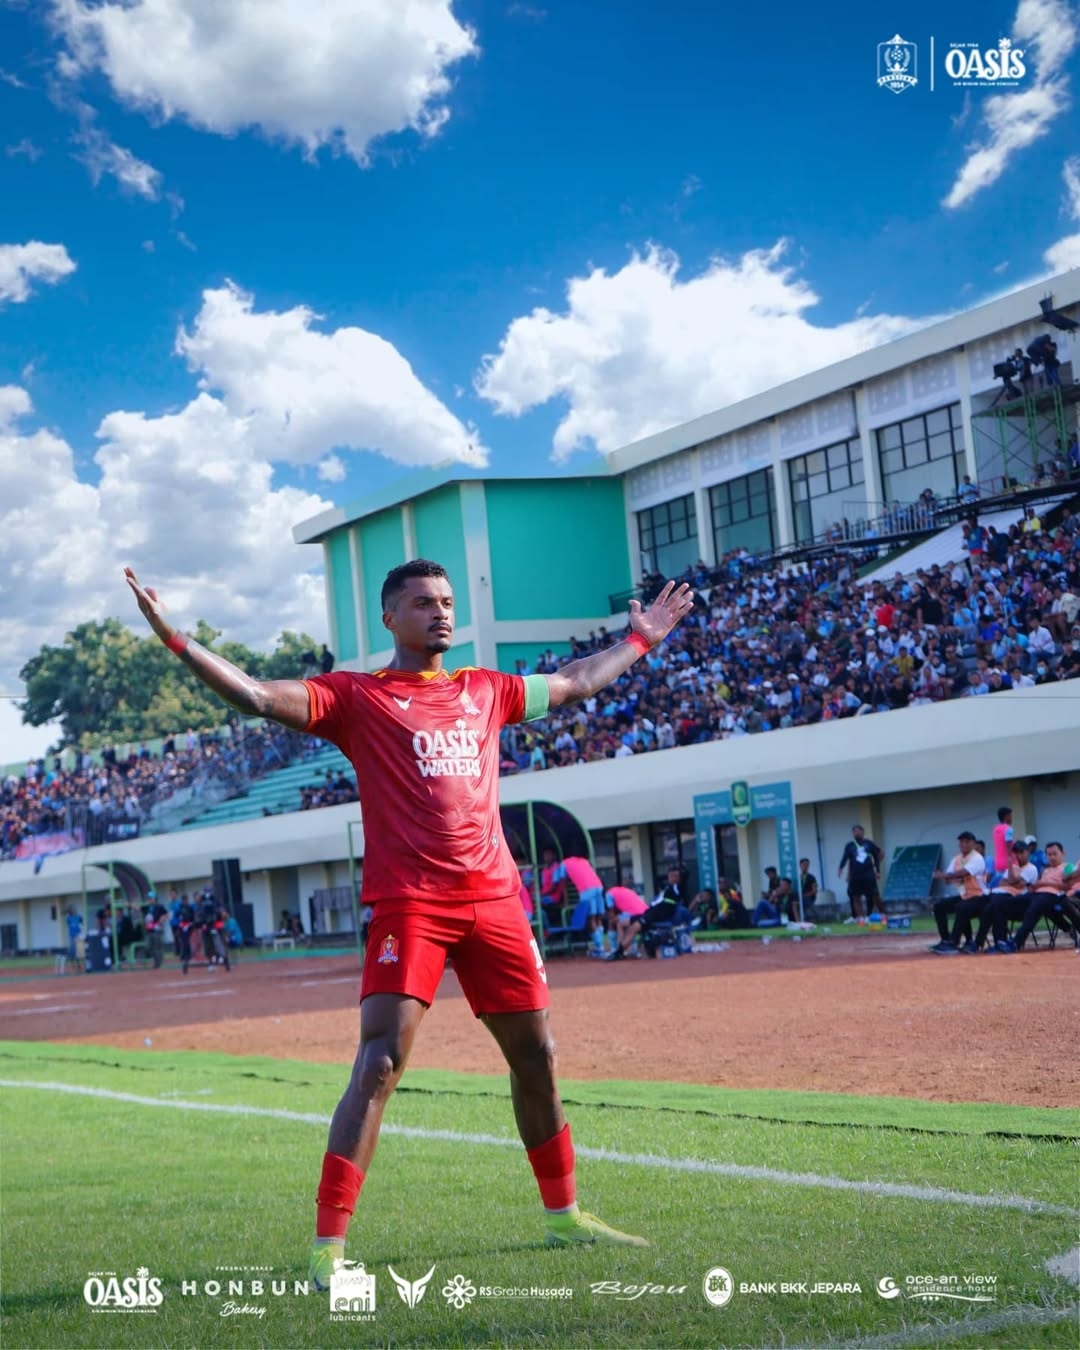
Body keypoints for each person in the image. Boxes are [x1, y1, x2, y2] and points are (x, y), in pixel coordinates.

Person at [125, 559, 693, 1281]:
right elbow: (258, 696)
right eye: (424, 603)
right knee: (381, 1061)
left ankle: (564, 1217)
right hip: (411, 903)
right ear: (390, 618)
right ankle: (328, 1250)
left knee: (538, 1057)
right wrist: (176, 638)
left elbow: (576, 681)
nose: (441, 612)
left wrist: (639, 641)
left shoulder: (486, 690)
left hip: (495, 900)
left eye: (447, 602)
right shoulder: (356, 698)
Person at [929, 831, 987, 952]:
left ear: (973, 844)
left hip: (979, 896)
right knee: (939, 906)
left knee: (961, 907)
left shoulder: (977, 858)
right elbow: (948, 879)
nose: (964, 844)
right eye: (962, 842)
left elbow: (962, 873)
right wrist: (945, 876)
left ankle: (953, 942)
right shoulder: (957, 859)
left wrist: (945, 876)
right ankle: (945, 939)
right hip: (964, 895)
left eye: (967, 841)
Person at [837, 824, 882, 921]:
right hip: (855, 876)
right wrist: (841, 868)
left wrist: (877, 870)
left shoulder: (869, 843)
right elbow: (845, 857)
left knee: (875, 895)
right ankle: (861, 918)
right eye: (854, 832)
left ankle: (883, 914)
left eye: (858, 831)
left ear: (862, 832)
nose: (856, 833)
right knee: (856, 896)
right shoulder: (850, 845)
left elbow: (877, 856)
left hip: (868, 874)